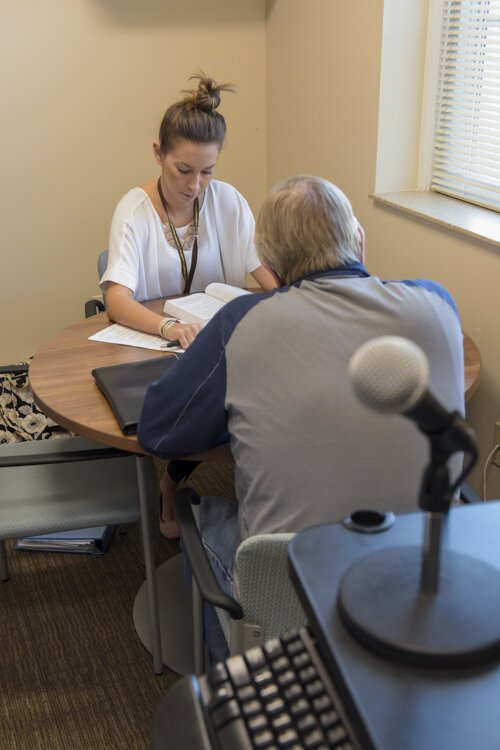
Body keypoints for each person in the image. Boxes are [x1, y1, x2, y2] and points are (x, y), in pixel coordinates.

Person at [138, 175, 465, 660]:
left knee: (200, 513)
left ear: (268, 265)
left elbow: (159, 429)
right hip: (423, 581)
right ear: (359, 239)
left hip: (292, 596)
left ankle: (235, 700)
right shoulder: (437, 302)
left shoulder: (242, 321)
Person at [100, 73, 276, 537]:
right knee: (204, 404)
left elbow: (264, 273)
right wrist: (168, 329)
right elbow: (116, 297)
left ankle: (176, 477)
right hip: (155, 344)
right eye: (183, 170)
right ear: (158, 153)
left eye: (208, 171)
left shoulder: (229, 202)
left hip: (214, 341)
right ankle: (171, 481)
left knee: (258, 395)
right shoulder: (134, 210)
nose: (196, 184)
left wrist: (302, 297)